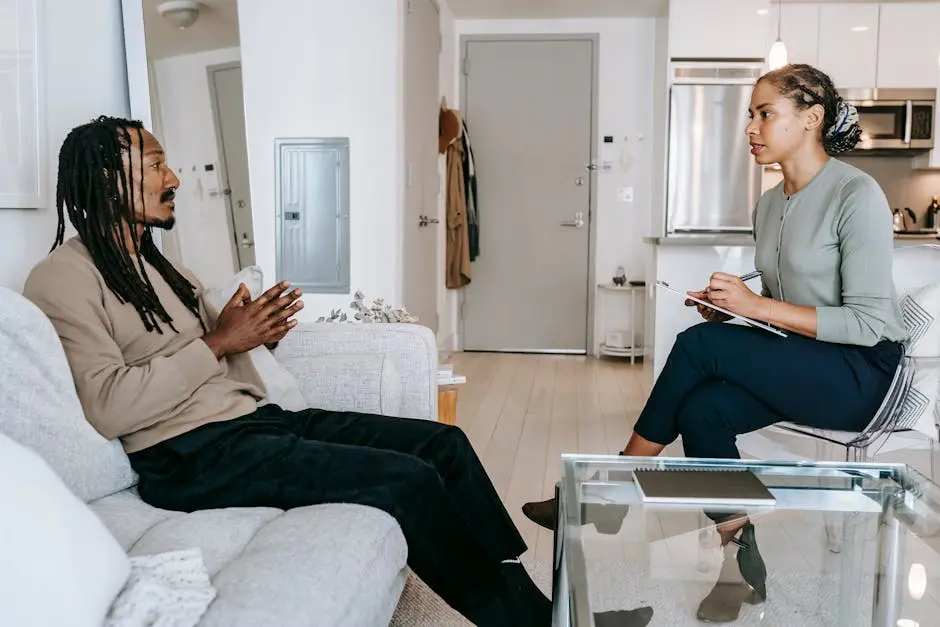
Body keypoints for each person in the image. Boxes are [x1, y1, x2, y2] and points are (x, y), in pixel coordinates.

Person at [23, 116, 654, 627]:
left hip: (254, 425)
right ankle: (526, 621)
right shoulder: (64, 278)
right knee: (406, 482)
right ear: (108, 179)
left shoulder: (161, 265)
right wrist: (219, 341)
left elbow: (221, 349)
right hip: (188, 459)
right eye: (157, 163)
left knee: (444, 443)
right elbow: (105, 404)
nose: (175, 178)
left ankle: (537, 605)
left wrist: (253, 330)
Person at [522, 64, 907, 621]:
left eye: (764, 113)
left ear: (811, 118)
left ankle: (608, 488)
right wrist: (729, 309)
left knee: (699, 348)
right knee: (703, 411)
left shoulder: (857, 194)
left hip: (863, 374)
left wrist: (752, 308)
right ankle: (738, 567)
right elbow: (782, 310)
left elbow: (868, 323)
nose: (750, 127)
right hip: (810, 363)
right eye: (750, 115)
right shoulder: (770, 204)